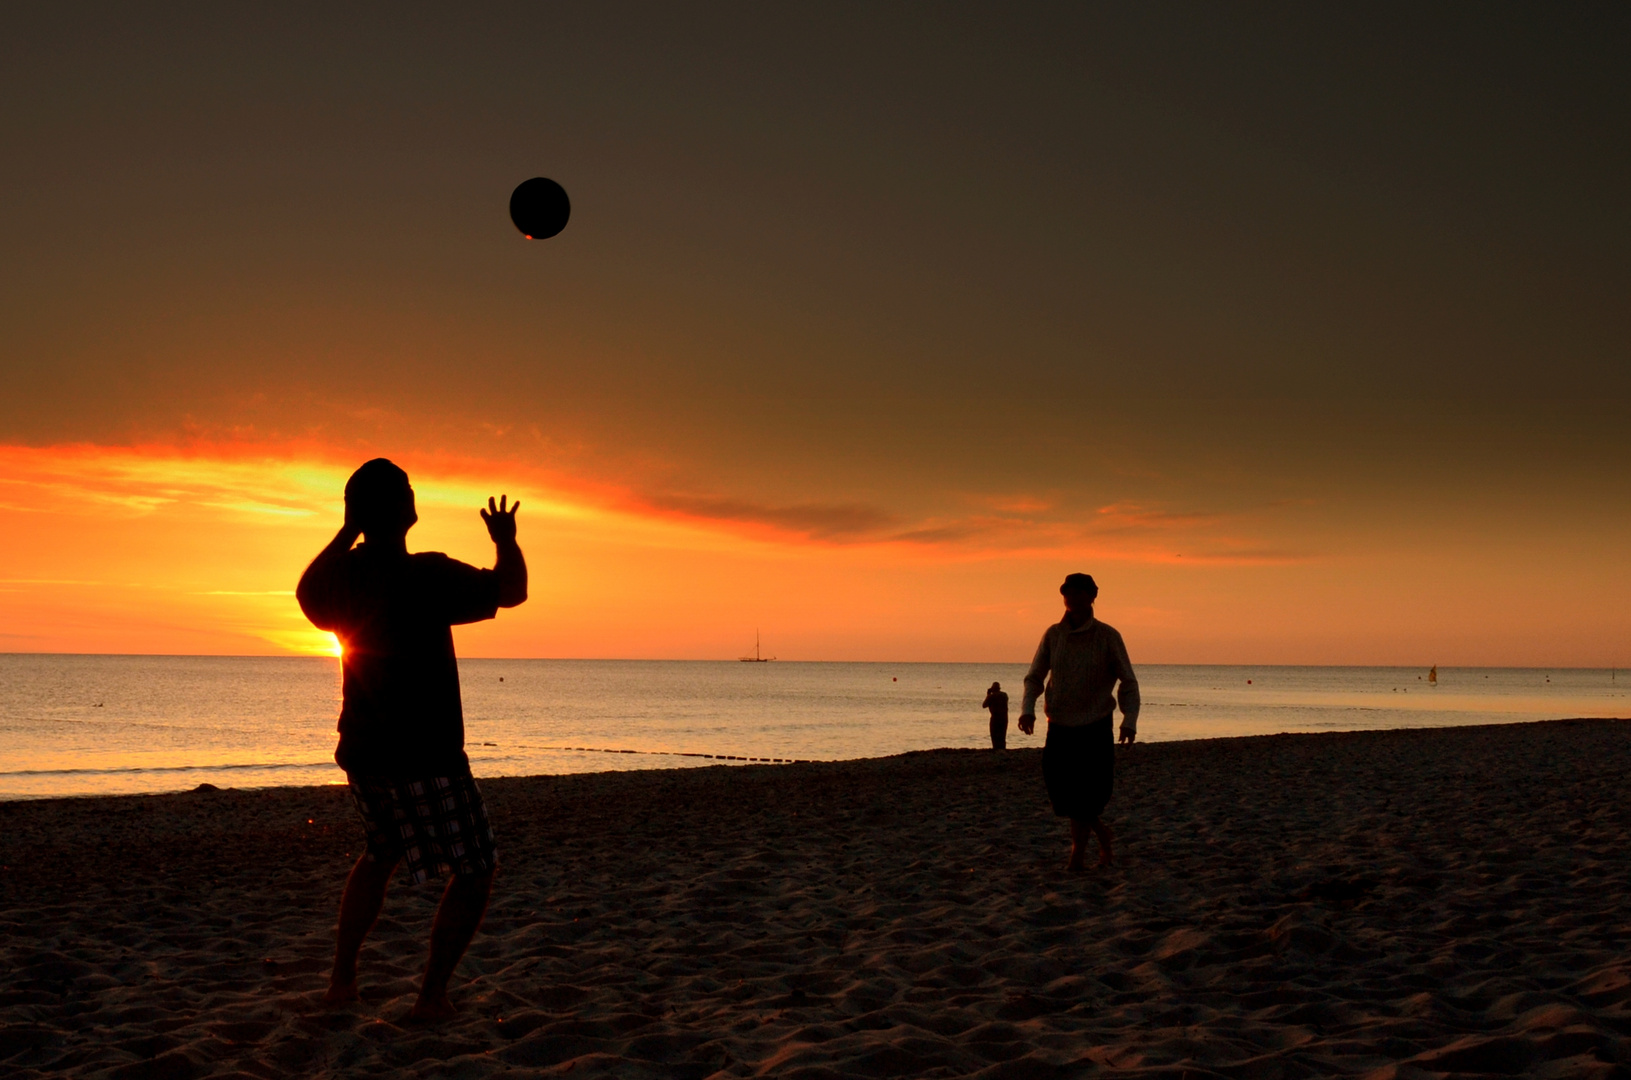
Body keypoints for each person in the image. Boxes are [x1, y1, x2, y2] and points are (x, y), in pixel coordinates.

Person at [296, 458, 528, 1020]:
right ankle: (430, 998)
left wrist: (348, 529)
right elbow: (511, 591)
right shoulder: (427, 575)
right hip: (427, 756)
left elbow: (307, 594)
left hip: (365, 754)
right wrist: (506, 541)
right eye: (405, 490)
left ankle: (342, 983)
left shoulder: (346, 577)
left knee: (382, 853)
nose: (412, 493)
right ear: (401, 508)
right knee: (475, 867)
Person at [1017, 573, 1139, 871]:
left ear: (1092, 596)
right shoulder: (1053, 635)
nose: (1072, 598)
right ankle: (1101, 833)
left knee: (1088, 796)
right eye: (1067, 593)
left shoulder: (1108, 636)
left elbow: (1128, 681)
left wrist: (1129, 720)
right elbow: (1035, 676)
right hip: (1059, 724)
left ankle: (1077, 857)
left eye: (1079, 593)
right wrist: (1027, 709)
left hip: (1095, 725)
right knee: (1063, 794)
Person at [981, 681, 1009, 750]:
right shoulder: (1004, 695)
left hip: (995, 717)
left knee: (994, 735)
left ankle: (996, 749)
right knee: (1002, 735)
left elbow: (984, 705)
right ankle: (1002, 748)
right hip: (1004, 717)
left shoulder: (991, 696)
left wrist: (988, 694)